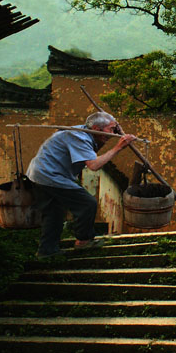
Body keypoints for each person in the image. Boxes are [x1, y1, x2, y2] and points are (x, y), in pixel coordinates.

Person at [27, 111, 136, 258]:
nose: (112, 133)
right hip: (50, 175)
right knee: (87, 203)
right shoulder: (78, 137)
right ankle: (83, 241)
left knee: (54, 213)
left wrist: (108, 137)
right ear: (97, 129)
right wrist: (118, 147)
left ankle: (47, 251)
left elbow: (89, 154)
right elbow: (94, 165)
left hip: (38, 174)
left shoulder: (83, 134)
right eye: (111, 129)